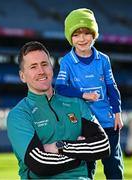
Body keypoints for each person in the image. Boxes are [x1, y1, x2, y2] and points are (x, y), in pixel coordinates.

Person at [7, 41, 110, 179]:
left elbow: (103, 146)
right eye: (33, 67)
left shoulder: (76, 104)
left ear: (51, 67)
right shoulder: (19, 114)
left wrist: (60, 147)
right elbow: (40, 164)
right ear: (22, 76)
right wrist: (83, 153)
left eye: (44, 64)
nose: (41, 71)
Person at [55, 8, 124, 179]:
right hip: (84, 123)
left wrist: (117, 113)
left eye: (87, 33)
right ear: (70, 38)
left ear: (94, 35)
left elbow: (111, 87)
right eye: (76, 34)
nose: (82, 38)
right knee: (87, 166)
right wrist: (83, 94)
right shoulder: (67, 61)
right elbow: (60, 88)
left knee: (113, 163)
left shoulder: (104, 59)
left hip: (107, 121)